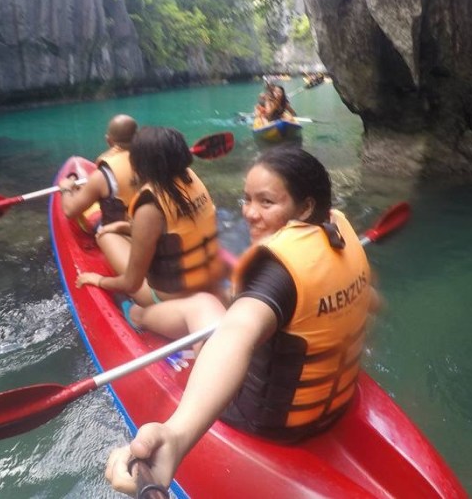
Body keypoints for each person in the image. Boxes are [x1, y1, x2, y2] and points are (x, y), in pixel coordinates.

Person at [104, 146, 381, 495]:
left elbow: (236, 333)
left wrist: (176, 434)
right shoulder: (338, 229)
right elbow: (371, 301)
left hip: (263, 419)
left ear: (305, 207)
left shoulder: (278, 274)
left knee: (203, 304)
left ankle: (140, 314)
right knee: (227, 300)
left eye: (266, 202)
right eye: (246, 199)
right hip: (334, 405)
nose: (249, 213)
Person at [75, 126, 226, 314]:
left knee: (106, 235)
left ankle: (141, 315)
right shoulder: (191, 178)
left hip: (169, 300)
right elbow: (177, 229)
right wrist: (128, 227)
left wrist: (99, 280)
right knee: (118, 231)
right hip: (210, 283)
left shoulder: (150, 207)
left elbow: (131, 283)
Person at [59, 113, 140, 250]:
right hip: (147, 226)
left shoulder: (102, 176)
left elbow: (69, 211)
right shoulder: (151, 161)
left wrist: (65, 189)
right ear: (137, 137)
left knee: (91, 208)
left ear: (109, 140)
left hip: (117, 234)